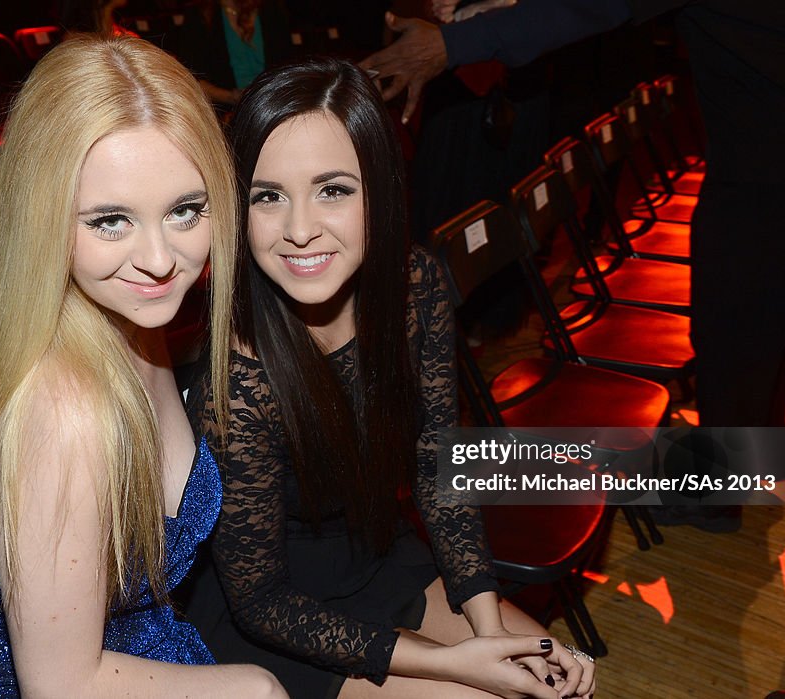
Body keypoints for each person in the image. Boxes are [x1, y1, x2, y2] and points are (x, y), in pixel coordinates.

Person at [183, 57, 596, 699]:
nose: (299, 229)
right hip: (281, 617)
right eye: (268, 196)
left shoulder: (416, 286)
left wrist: (489, 635)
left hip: (379, 555)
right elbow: (259, 601)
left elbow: (437, 464)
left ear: (377, 188)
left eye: (333, 189)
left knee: (546, 685)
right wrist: (459, 664)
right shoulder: (236, 375)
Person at [0, 35, 285, 698]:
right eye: (111, 220)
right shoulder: (65, 410)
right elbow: (60, 683)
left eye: (184, 210)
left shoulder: (130, 316)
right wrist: (255, 687)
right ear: (45, 218)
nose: (160, 257)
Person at [362, 2, 785, 479]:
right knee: (780, 310)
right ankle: (765, 450)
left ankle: (717, 487)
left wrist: (449, 45)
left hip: (776, 153)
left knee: (740, 319)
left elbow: (592, 7)